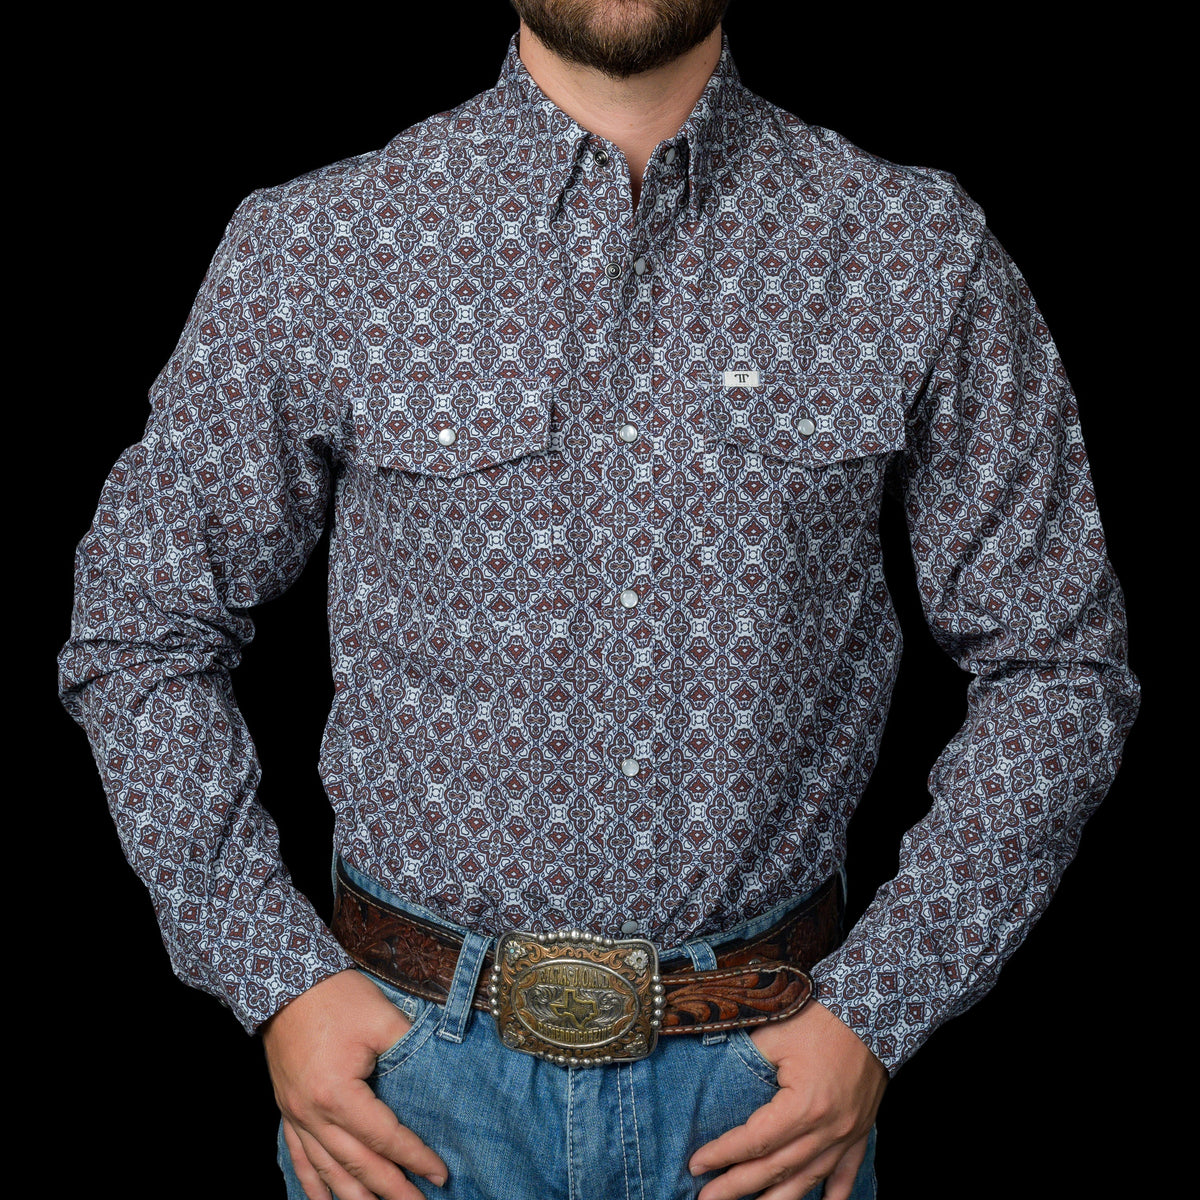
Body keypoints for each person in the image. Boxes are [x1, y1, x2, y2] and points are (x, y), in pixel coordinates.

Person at [56, 3, 1141, 1198]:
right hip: (409, 1098)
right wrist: (278, 982)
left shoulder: (911, 245)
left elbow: (1059, 664)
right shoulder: (318, 242)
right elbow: (140, 626)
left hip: (767, 1106)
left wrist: (877, 1011)